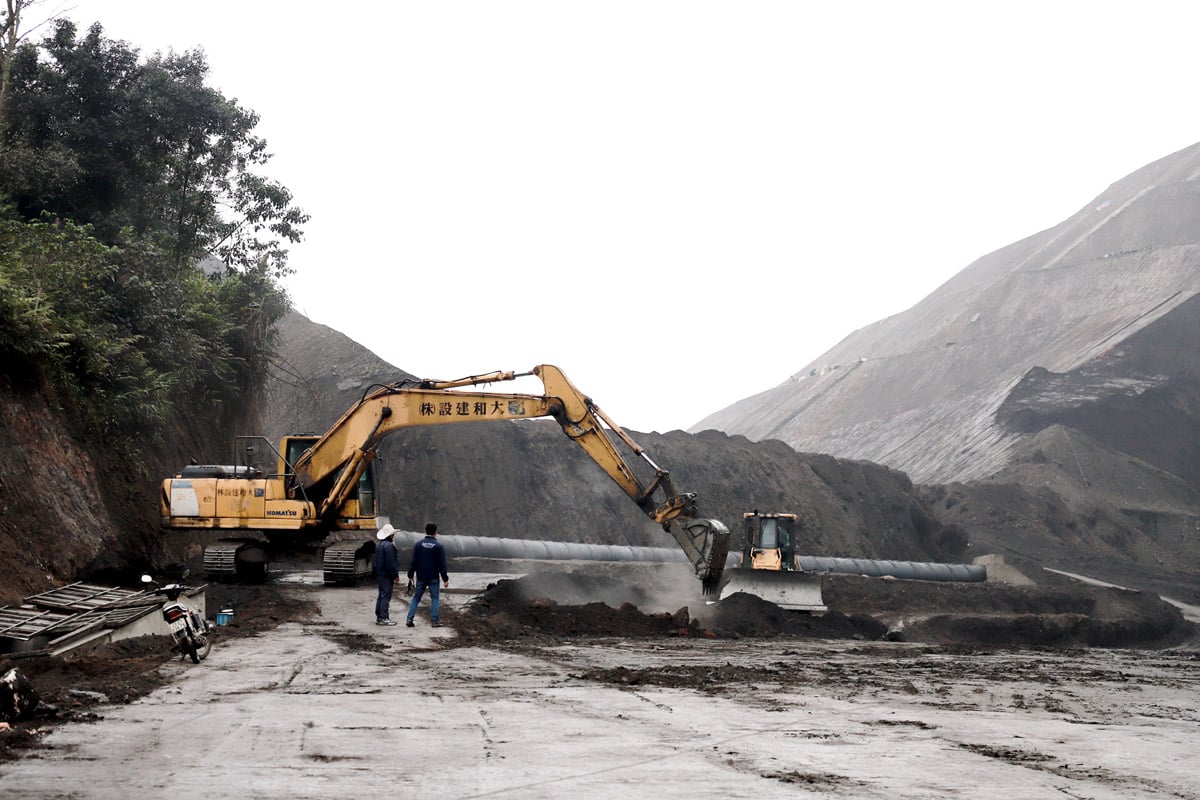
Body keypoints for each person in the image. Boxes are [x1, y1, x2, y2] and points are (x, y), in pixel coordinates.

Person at [406, 522, 449, 627]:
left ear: (426, 531)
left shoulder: (418, 545)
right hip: (433, 577)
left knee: (416, 598)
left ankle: (409, 619)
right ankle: (435, 621)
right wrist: (445, 579)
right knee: (435, 598)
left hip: (421, 576)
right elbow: (442, 564)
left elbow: (414, 562)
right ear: (435, 532)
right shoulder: (438, 546)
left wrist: (410, 574)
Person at [373, 524, 400, 625]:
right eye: (392, 534)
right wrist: (395, 575)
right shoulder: (389, 546)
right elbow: (391, 562)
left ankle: (379, 615)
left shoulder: (379, 545)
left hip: (380, 573)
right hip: (386, 575)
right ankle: (384, 617)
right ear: (389, 535)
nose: (393, 535)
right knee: (386, 595)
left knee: (381, 594)